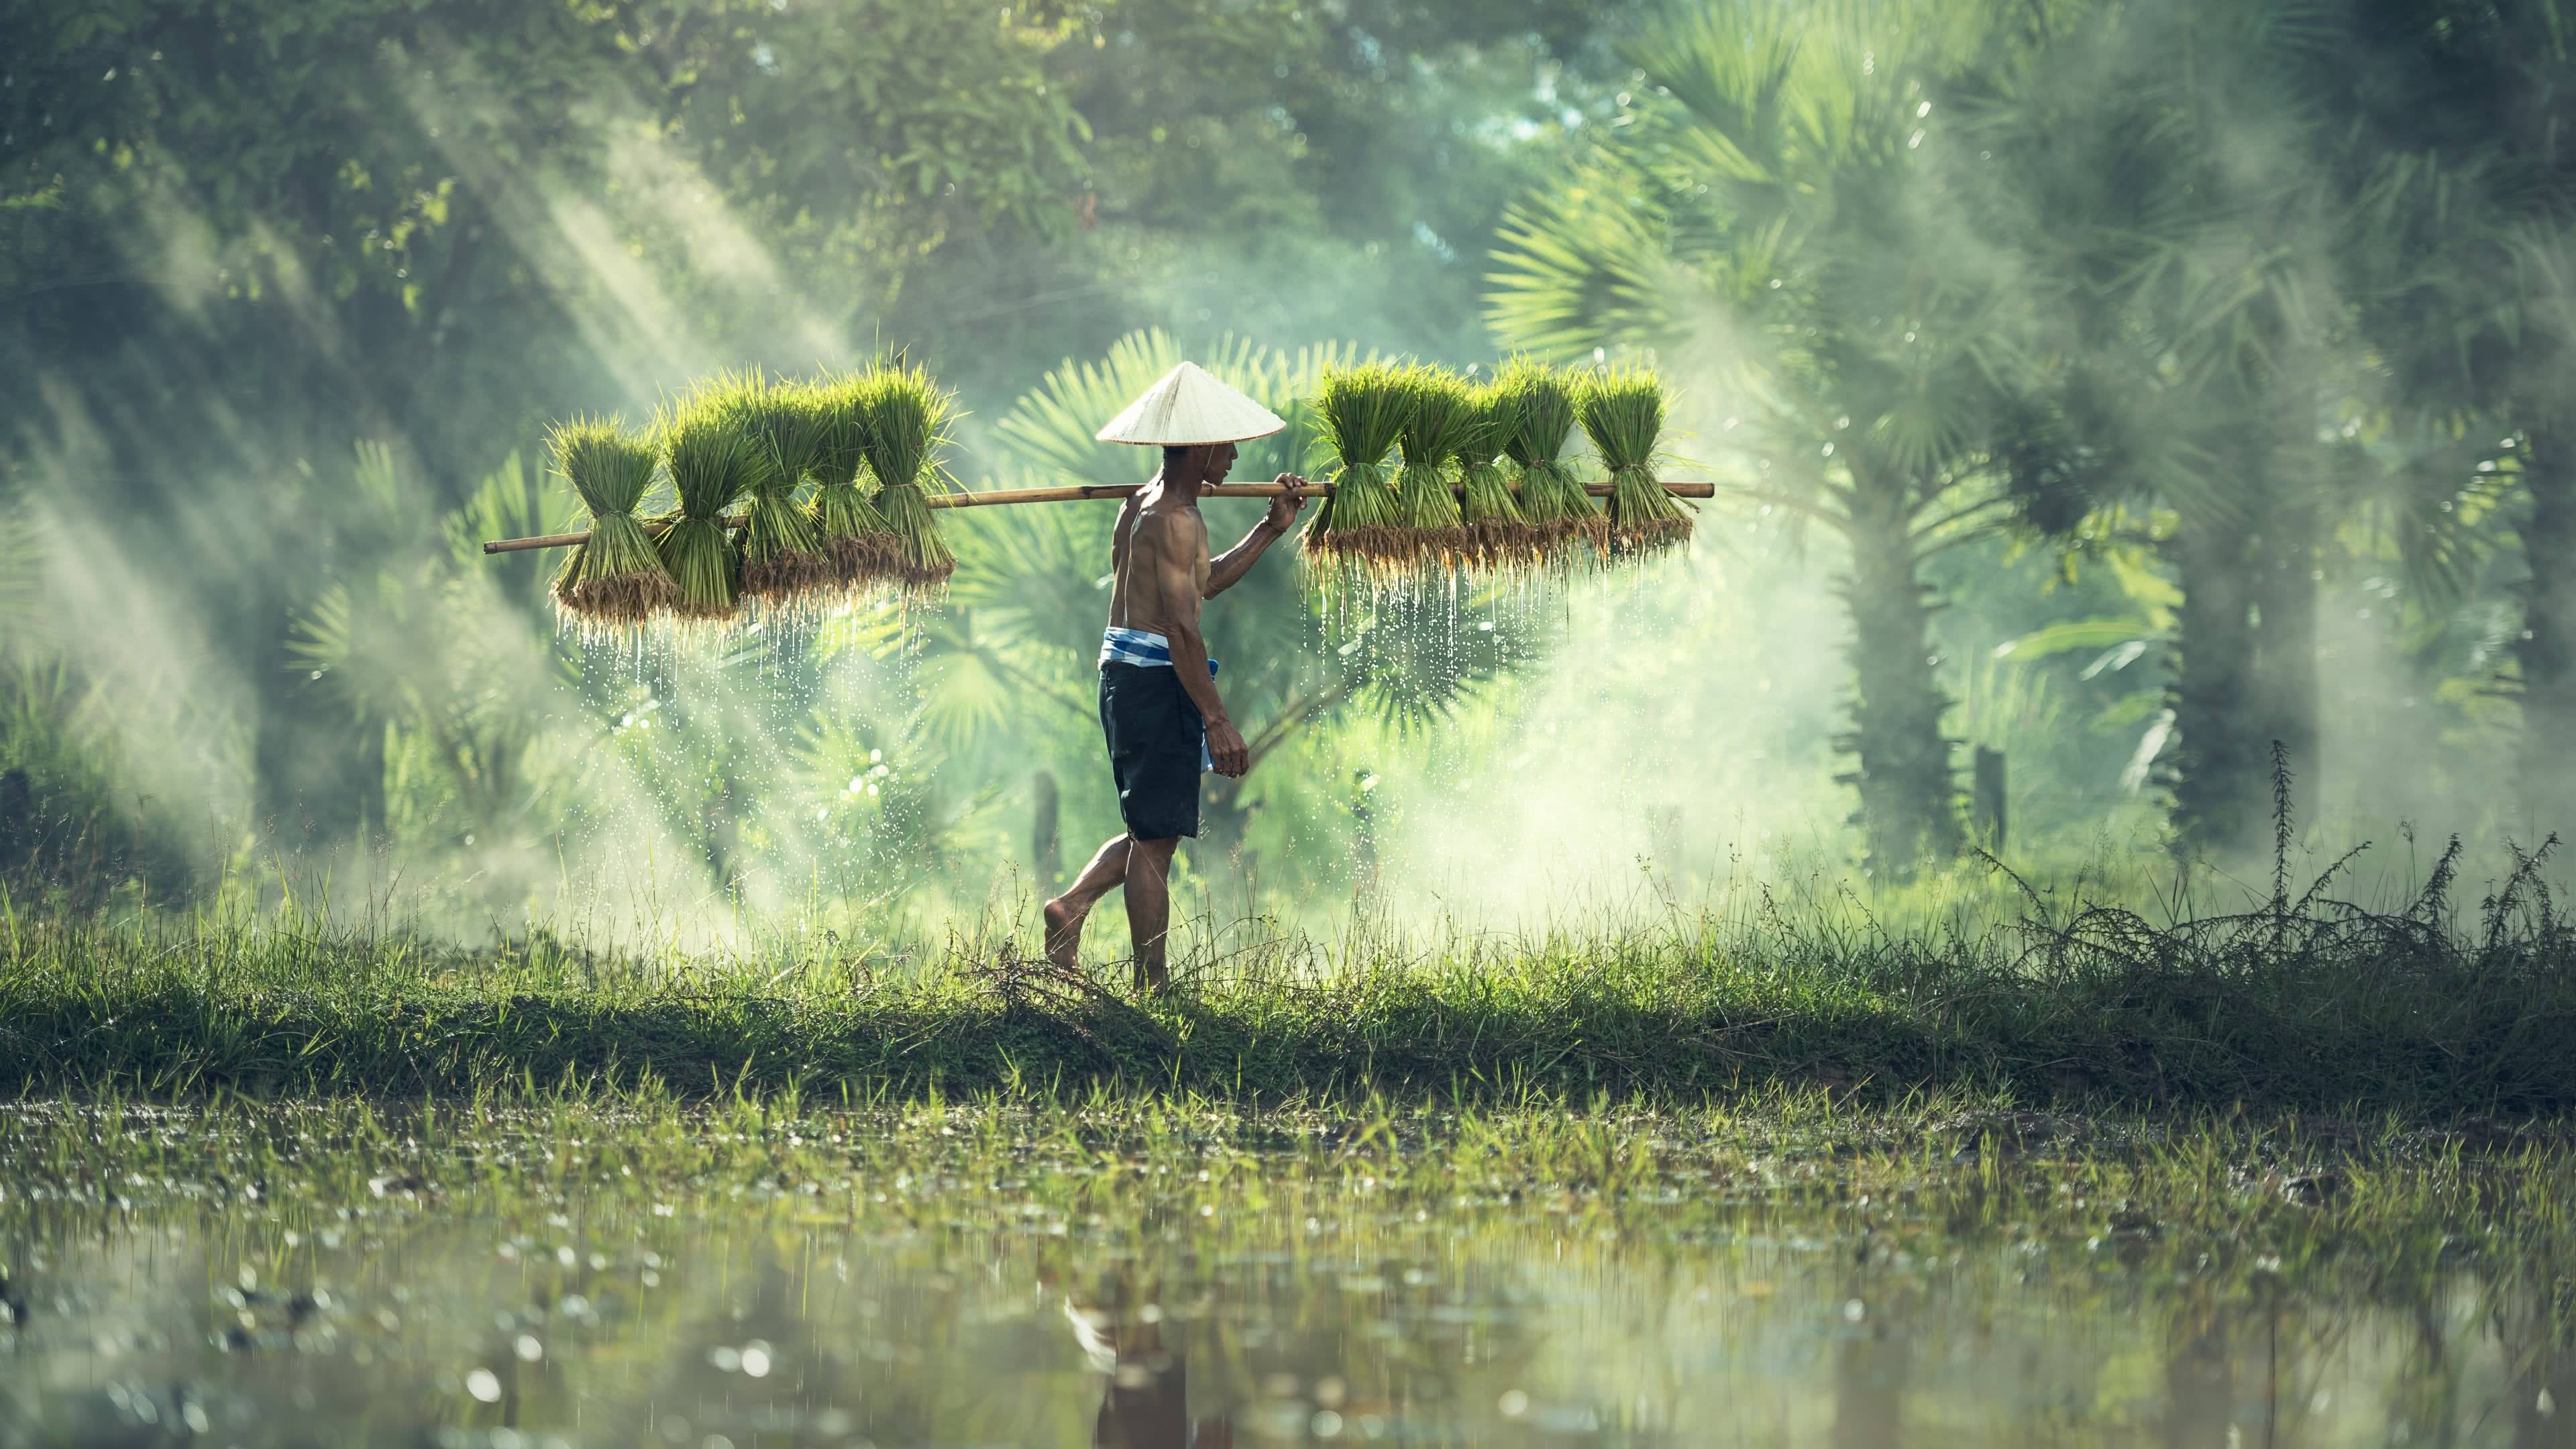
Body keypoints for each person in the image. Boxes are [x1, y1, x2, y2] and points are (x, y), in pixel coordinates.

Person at [1042, 362, 1306, 992]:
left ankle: (1071, 908)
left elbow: (1203, 582)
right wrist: (1217, 720)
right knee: (1157, 845)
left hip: (1122, 676)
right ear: (1198, 448)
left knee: (1148, 827)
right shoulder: (1177, 519)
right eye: (1226, 443)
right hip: (1155, 683)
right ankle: (1151, 987)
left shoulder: (1142, 506)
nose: (1236, 455)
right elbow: (1184, 630)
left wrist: (1270, 529)